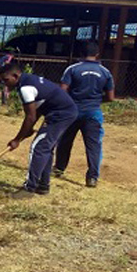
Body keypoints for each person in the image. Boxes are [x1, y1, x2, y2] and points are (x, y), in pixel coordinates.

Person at [0, 62, 78, 197]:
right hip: (63, 112)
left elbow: (30, 116)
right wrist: (28, 130)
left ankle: (29, 188)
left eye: (6, 80)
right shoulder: (28, 80)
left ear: (15, 75)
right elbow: (38, 110)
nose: (5, 84)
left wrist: (17, 140)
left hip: (61, 114)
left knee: (39, 147)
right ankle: (43, 186)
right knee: (46, 147)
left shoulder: (25, 87)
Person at [54, 41, 114, 188]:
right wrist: (97, 100)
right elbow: (111, 97)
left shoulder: (72, 69)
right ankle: (92, 177)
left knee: (65, 141)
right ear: (97, 54)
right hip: (93, 113)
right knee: (93, 146)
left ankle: (59, 168)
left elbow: (62, 91)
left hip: (72, 112)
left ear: (81, 54)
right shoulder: (105, 72)